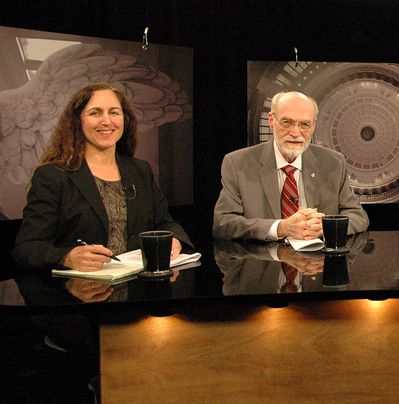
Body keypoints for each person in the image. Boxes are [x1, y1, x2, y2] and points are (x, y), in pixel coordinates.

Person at [12, 82, 193, 272]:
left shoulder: (140, 170)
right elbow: (27, 248)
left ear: (125, 120)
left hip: (140, 291)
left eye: (114, 112)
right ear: (77, 121)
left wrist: (174, 240)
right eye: (95, 113)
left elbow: (166, 222)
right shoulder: (53, 176)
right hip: (80, 293)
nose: (106, 121)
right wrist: (66, 257)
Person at [213, 91, 369, 241]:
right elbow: (223, 223)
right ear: (271, 120)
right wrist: (281, 228)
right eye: (287, 122)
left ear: (314, 125)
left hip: (318, 263)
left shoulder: (334, 162)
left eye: (304, 124)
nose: (295, 132)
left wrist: (326, 226)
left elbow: (358, 216)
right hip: (263, 262)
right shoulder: (237, 163)